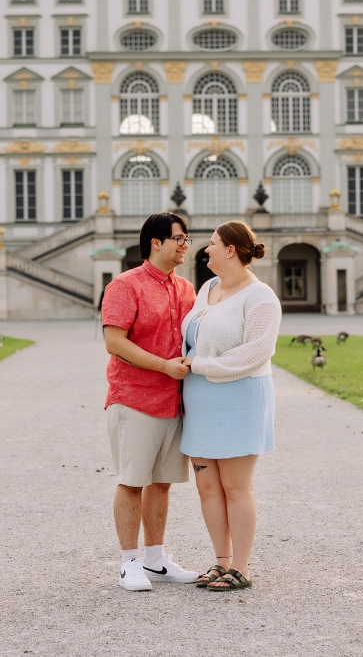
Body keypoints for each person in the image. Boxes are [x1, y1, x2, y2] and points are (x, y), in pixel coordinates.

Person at [100, 212, 200, 592]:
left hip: (173, 401)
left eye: (186, 239)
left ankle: (155, 559)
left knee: (161, 483)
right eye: (179, 238)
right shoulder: (125, 286)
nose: (184, 245)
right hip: (134, 398)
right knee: (131, 482)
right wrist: (163, 366)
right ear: (156, 242)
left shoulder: (186, 289)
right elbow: (115, 342)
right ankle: (129, 562)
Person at [180, 221, 281, 592]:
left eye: (211, 243)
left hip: (239, 398)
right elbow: (193, 339)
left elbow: (256, 353)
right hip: (201, 400)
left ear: (231, 250)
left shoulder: (261, 298)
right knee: (208, 488)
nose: (204, 250)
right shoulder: (207, 288)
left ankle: (241, 566)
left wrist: (200, 366)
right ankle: (221, 561)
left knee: (236, 487)